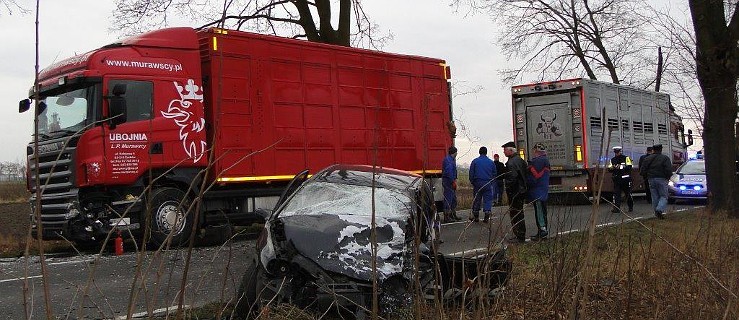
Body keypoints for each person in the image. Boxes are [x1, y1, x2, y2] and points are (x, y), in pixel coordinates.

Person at [502, 141, 528, 242]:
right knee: (519, 213)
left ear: (510, 150)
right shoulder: (520, 160)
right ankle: (520, 235)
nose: (504, 152)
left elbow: (512, 178)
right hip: (521, 190)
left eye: (505, 150)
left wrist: (508, 189)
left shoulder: (512, 163)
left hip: (515, 192)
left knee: (515, 214)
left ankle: (519, 236)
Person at [527, 143, 550, 241]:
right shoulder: (546, 160)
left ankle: (542, 230)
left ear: (536, 151)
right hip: (543, 190)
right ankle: (541, 231)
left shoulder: (536, 162)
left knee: (539, 212)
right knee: (543, 211)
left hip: (537, 191)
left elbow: (534, 177)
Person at [641, 144, 672, 219]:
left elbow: (642, 170)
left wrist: (646, 176)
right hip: (662, 179)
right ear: (661, 149)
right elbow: (668, 170)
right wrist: (668, 177)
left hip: (651, 179)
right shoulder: (665, 158)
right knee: (664, 196)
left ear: (653, 150)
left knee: (654, 196)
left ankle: (656, 213)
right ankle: (659, 209)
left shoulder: (647, 159)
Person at [469, 146, 496, 222]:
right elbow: (494, 173)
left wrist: (473, 182)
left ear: (479, 152)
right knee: (487, 199)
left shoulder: (475, 161)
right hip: (487, 183)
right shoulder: (491, 162)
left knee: (477, 199)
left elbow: (471, 173)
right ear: (486, 152)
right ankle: (487, 215)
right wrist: (491, 181)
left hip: (477, 183)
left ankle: (476, 216)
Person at [608, 146, 634, 213]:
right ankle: (616, 208)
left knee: (628, 194)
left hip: (626, 180)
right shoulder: (612, 160)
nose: (617, 153)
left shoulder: (626, 158)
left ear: (620, 151)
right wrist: (612, 168)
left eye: (618, 152)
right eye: (616, 152)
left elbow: (629, 167)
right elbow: (609, 168)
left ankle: (630, 207)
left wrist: (620, 167)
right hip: (617, 179)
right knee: (617, 194)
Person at [442, 146, 461, 222]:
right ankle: (447, 217)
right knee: (448, 199)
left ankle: (452, 214)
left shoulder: (450, 159)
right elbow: (449, 172)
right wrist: (453, 181)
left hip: (449, 181)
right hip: (449, 182)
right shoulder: (449, 160)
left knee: (453, 199)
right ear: (455, 152)